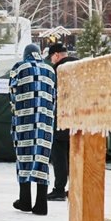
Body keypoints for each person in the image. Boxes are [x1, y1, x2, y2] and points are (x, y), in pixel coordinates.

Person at [8, 43, 56, 217]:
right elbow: (54, 96)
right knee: (41, 158)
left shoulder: (19, 67)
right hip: (45, 121)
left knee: (24, 158)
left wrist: (15, 112)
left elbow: (12, 93)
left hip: (24, 120)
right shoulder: (50, 70)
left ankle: (25, 200)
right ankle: (41, 203)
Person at [44, 42, 76, 202]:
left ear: (56, 55)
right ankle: (76, 188)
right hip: (80, 119)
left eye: (51, 58)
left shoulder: (58, 70)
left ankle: (59, 189)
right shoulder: (80, 65)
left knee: (59, 156)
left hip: (62, 118)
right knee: (75, 155)